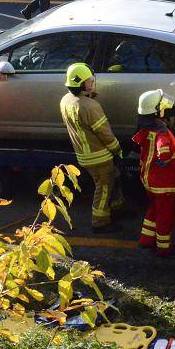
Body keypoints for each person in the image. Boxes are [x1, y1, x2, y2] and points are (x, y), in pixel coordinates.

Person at [59, 62, 124, 233]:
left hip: (83, 155)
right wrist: (118, 150)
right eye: (90, 81)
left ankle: (114, 210)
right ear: (81, 83)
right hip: (99, 156)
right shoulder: (90, 106)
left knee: (111, 181)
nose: (92, 83)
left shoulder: (66, 100)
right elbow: (105, 134)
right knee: (103, 188)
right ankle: (100, 222)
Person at [133, 89, 175, 256]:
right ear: (155, 111)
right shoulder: (161, 133)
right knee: (165, 216)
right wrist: (166, 159)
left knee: (153, 209)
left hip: (150, 181)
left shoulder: (146, 129)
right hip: (165, 184)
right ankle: (164, 248)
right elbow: (164, 153)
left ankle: (146, 240)